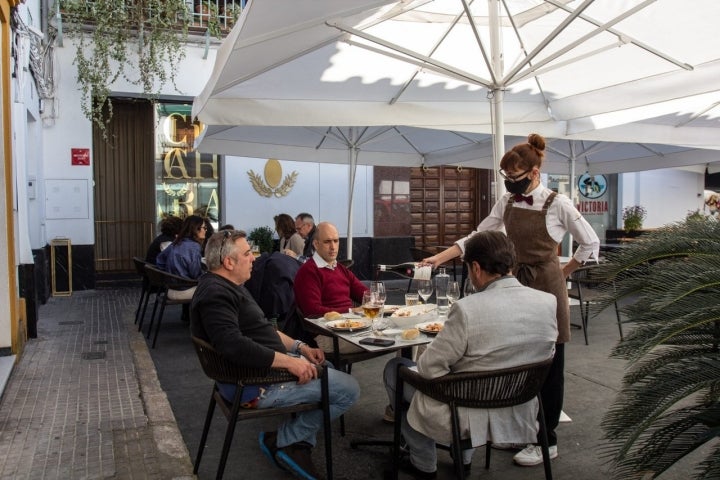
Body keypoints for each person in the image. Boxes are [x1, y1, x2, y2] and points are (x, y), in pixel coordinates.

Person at [424, 133, 600, 467]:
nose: (509, 185)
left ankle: (547, 441)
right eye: (506, 179)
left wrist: (564, 273)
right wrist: (440, 257)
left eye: (515, 178)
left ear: (534, 173)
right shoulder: (506, 202)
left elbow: (590, 244)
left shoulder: (558, 203)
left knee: (550, 366)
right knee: (515, 360)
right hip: (516, 284)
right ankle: (521, 431)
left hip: (548, 285)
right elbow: (478, 236)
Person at [383, 231, 558, 478]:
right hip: (520, 404)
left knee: (395, 369)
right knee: (464, 373)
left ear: (475, 268)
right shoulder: (548, 302)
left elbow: (429, 369)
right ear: (511, 263)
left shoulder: (466, 309)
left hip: (464, 409)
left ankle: (423, 462)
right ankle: (463, 458)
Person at [190, 230, 360, 480]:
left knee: (330, 366)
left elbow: (264, 331)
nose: (254, 259)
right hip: (255, 384)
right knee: (349, 389)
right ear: (228, 262)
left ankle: (298, 445)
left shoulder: (227, 286)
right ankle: (284, 441)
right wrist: (290, 363)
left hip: (260, 373)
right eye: (248, 254)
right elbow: (232, 344)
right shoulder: (217, 294)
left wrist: (300, 348)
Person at [293, 222, 368, 353]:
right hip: (328, 335)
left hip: (353, 327)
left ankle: (404, 371)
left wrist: (373, 299)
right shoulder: (308, 271)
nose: (333, 247)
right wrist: (351, 311)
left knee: (406, 337)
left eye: (336, 241)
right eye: (327, 242)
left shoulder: (340, 269)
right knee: (395, 339)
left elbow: (365, 293)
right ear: (316, 244)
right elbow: (313, 311)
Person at [156, 215, 206, 300]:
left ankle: (187, 313)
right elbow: (195, 274)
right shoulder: (194, 246)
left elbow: (160, 261)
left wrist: (171, 272)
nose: (206, 230)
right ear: (196, 229)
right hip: (185, 291)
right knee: (215, 289)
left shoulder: (176, 242)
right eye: (204, 228)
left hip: (170, 290)